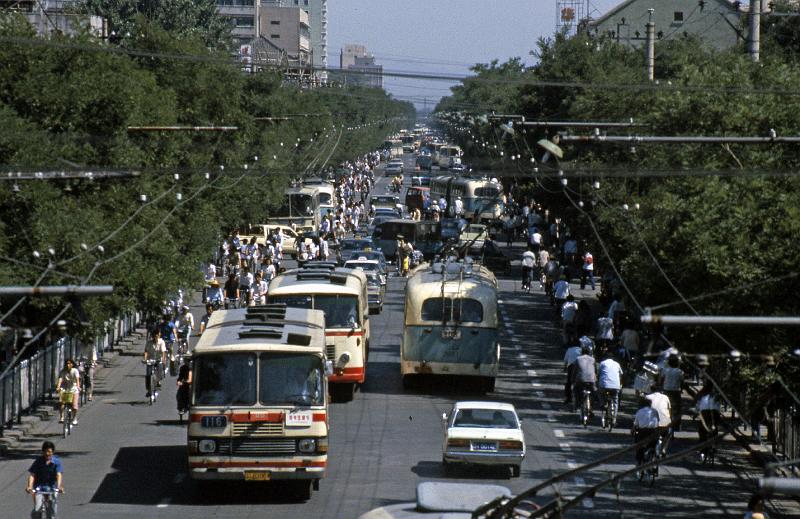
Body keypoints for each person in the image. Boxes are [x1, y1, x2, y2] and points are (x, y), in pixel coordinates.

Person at [26, 441, 64, 517]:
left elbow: (58, 474)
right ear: (43, 452)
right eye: (45, 451)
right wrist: (30, 486)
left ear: (52, 452)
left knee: (51, 511)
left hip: (52, 488)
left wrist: (59, 486)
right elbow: (32, 475)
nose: (47, 454)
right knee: (37, 509)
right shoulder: (38, 461)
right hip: (39, 488)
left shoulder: (56, 462)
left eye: (49, 452)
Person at [659, 354, 685, 430]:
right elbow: (682, 382)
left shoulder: (665, 370)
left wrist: (661, 387)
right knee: (678, 408)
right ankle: (677, 425)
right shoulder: (680, 372)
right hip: (676, 391)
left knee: (665, 407)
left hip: (666, 390)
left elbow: (660, 380)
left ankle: (664, 422)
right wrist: (682, 389)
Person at [632, 397, 660, 467]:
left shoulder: (639, 411)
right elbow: (658, 421)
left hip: (643, 432)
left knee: (639, 446)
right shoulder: (654, 411)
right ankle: (655, 455)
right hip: (654, 431)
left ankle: (639, 461)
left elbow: (635, 424)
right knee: (654, 444)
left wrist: (632, 431)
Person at [646, 387, 673, 451]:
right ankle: (664, 449)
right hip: (665, 422)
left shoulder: (647, 397)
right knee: (668, 434)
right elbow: (669, 411)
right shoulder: (666, 397)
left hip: (652, 423)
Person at [598, 350, 623, 418]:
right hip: (615, 386)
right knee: (615, 401)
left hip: (604, 385)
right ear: (613, 358)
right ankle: (614, 417)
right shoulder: (617, 364)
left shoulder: (602, 363)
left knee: (600, 393)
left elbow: (599, 373)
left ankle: (602, 404)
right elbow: (621, 373)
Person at [56, 359, 80, 426]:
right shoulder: (63, 372)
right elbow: (60, 380)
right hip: (65, 388)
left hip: (73, 388)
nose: (68, 365)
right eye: (67, 363)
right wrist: (58, 387)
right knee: (61, 403)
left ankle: (74, 418)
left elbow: (77, 379)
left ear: (72, 364)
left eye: (69, 363)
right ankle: (62, 417)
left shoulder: (75, 371)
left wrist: (78, 386)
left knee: (74, 406)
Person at [573, 343, 597, 411]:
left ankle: (576, 405)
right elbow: (595, 371)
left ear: (581, 352)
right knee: (593, 392)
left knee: (576, 390)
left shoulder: (578, 359)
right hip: (591, 380)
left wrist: (572, 379)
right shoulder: (593, 359)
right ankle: (592, 406)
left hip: (580, 380)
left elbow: (575, 371)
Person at [144, 329, 167, 398]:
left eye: (157, 336)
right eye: (155, 336)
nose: (156, 338)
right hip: (150, 360)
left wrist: (163, 360)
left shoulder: (161, 342)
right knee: (148, 374)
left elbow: (163, 352)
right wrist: (145, 359)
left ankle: (158, 381)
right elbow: (146, 351)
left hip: (158, 360)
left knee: (159, 371)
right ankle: (148, 389)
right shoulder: (149, 342)